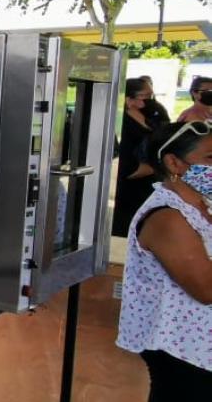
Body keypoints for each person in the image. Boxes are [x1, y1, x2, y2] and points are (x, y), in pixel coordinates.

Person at [117, 121, 212, 399]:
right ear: (174, 162)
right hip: (184, 350)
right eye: (210, 159)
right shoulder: (167, 217)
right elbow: (205, 289)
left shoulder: (200, 205)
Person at [114, 78, 160, 237]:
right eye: (145, 96)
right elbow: (124, 162)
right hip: (129, 189)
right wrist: (156, 165)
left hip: (147, 186)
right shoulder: (121, 122)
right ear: (129, 99)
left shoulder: (147, 116)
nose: (150, 101)